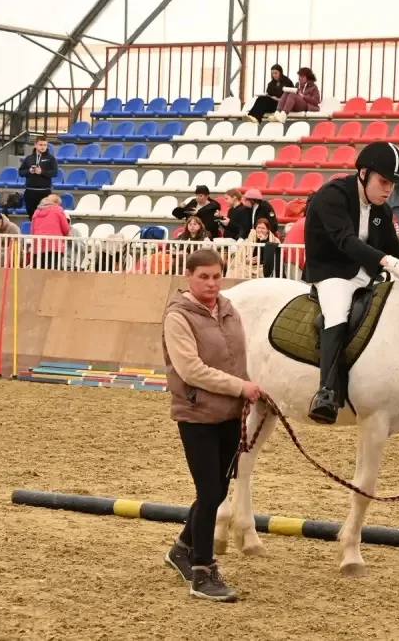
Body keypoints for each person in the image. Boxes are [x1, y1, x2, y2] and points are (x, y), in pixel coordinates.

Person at [301, 140, 399, 425]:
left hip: (366, 272)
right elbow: (346, 241)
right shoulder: (332, 195)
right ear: (364, 173)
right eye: (384, 181)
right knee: (337, 312)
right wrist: (388, 262)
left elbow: (394, 245)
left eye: (393, 184)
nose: (389, 189)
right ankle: (326, 391)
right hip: (332, 272)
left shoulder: (381, 208)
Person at [161, 248, 263, 602]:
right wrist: (241, 387)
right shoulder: (178, 317)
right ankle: (202, 571)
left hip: (230, 414)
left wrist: (251, 387)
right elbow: (191, 369)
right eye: (203, 276)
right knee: (209, 493)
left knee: (218, 490)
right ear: (189, 276)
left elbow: (240, 356)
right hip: (197, 414)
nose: (211, 283)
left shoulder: (228, 310)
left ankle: (182, 547)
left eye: (216, 276)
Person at [17, 135, 59, 218]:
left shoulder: (51, 158)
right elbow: (20, 172)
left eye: (45, 145)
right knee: (32, 217)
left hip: (44, 192)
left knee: (44, 217)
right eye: (41, 145)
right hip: (30, 192)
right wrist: (29, 171)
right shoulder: (29, 158)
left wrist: (41, 172)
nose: (43, 147)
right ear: (35, 145)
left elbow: (55, 173)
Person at [30, 194, 71, 269]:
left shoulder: (36, 211)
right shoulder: (58, 209)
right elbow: (66, 230)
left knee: (38, 272)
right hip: (54, 246)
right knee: (53, 272)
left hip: (38, 245)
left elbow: (32, 231)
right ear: (57, 203)